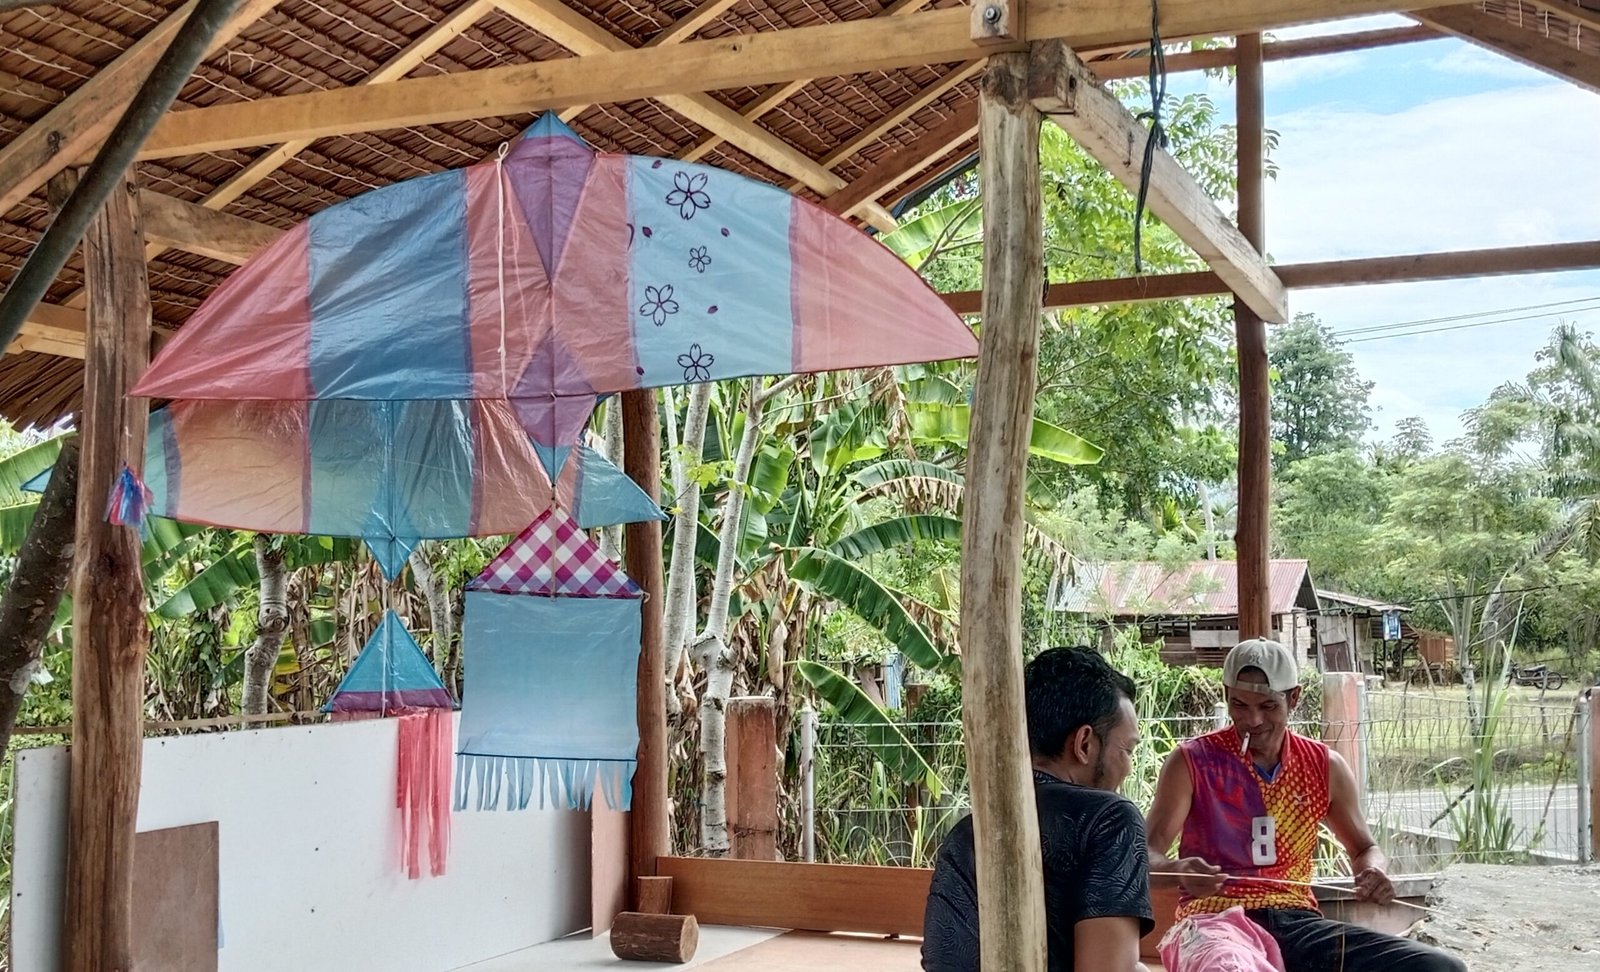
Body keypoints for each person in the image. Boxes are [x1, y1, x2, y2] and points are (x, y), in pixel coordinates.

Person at [1145, 639, 1466, 972]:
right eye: (1239, 704)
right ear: (1226, 696)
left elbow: (1364, 849)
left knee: (1440, 968)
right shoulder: (1191, 762)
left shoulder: (1324, 765)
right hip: (1214, 922)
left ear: (1294, 698)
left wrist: (1374, 870)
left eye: (1268, 706)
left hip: (1297, 923)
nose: (1253, 719)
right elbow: (1144, 856)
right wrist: (1178, 870)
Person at [922, 647, 1153, 972]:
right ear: (1084, 744)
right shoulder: (1110, 819)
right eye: (1127, 750)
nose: (1128, 768)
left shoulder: (965, 834)